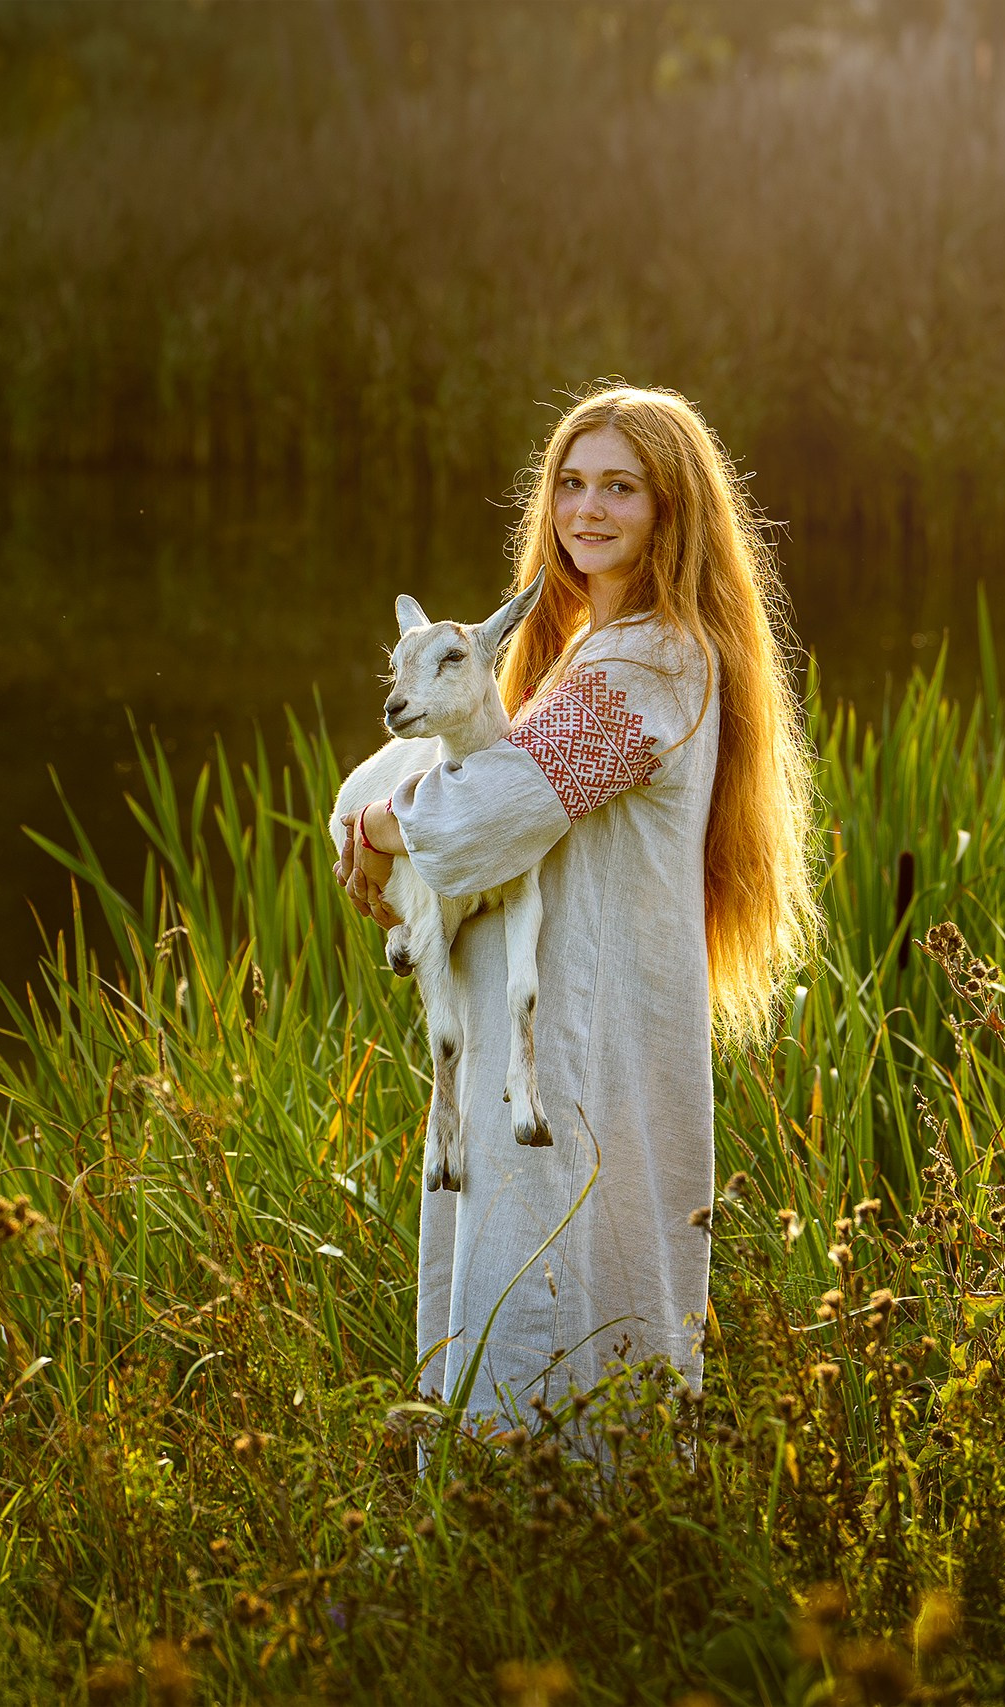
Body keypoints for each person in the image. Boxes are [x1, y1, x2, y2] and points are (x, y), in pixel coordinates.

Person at [334, 384, 817, 1420]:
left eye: (620, 488)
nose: (586, 508)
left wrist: (375, 830)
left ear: (670, 510)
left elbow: (490, 806)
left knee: (552, 1303)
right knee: (514, 1294)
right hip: (536, 1036)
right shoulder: (576, 656)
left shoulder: (650, 658)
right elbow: (444, 783)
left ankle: (550, 1516)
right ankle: (506, 1513)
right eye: (570, 482)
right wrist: (388, 830)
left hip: (576, 1044)